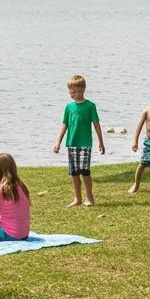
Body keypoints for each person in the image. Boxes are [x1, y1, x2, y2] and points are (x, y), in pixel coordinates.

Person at [52, 74, 105, 207]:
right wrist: (58, 142)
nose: (71, 94)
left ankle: (90, 197)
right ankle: (77, 199)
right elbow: (65, 124)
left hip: (85, 144)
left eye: (74, 92)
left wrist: (101, 142)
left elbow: (96, 124)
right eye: (70, 92)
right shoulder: (69, 107)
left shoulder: (90, 106)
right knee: (74, 173)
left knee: (85, 172)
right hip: (72, 144)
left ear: (82, 90)